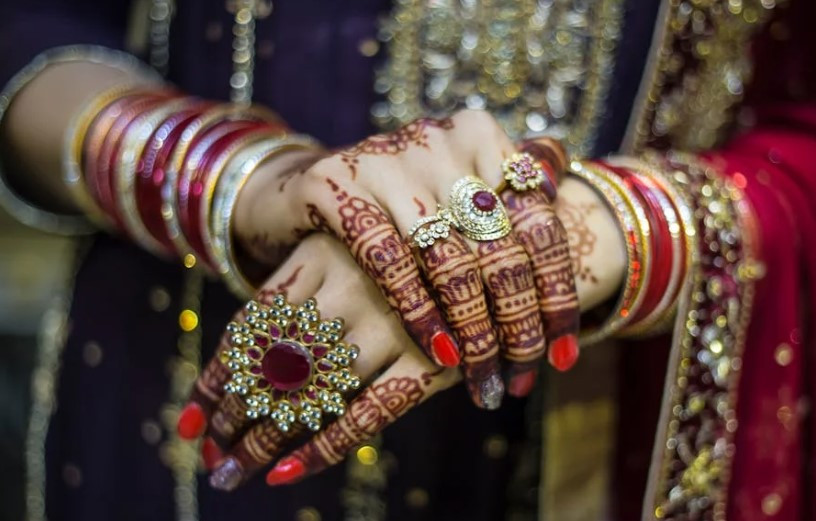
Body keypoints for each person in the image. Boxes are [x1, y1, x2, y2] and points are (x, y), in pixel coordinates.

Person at [0, 1, 813, 520]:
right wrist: (240, 181)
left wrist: (590, 236)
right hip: (191, 372)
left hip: (592, 441)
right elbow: (35, 28)